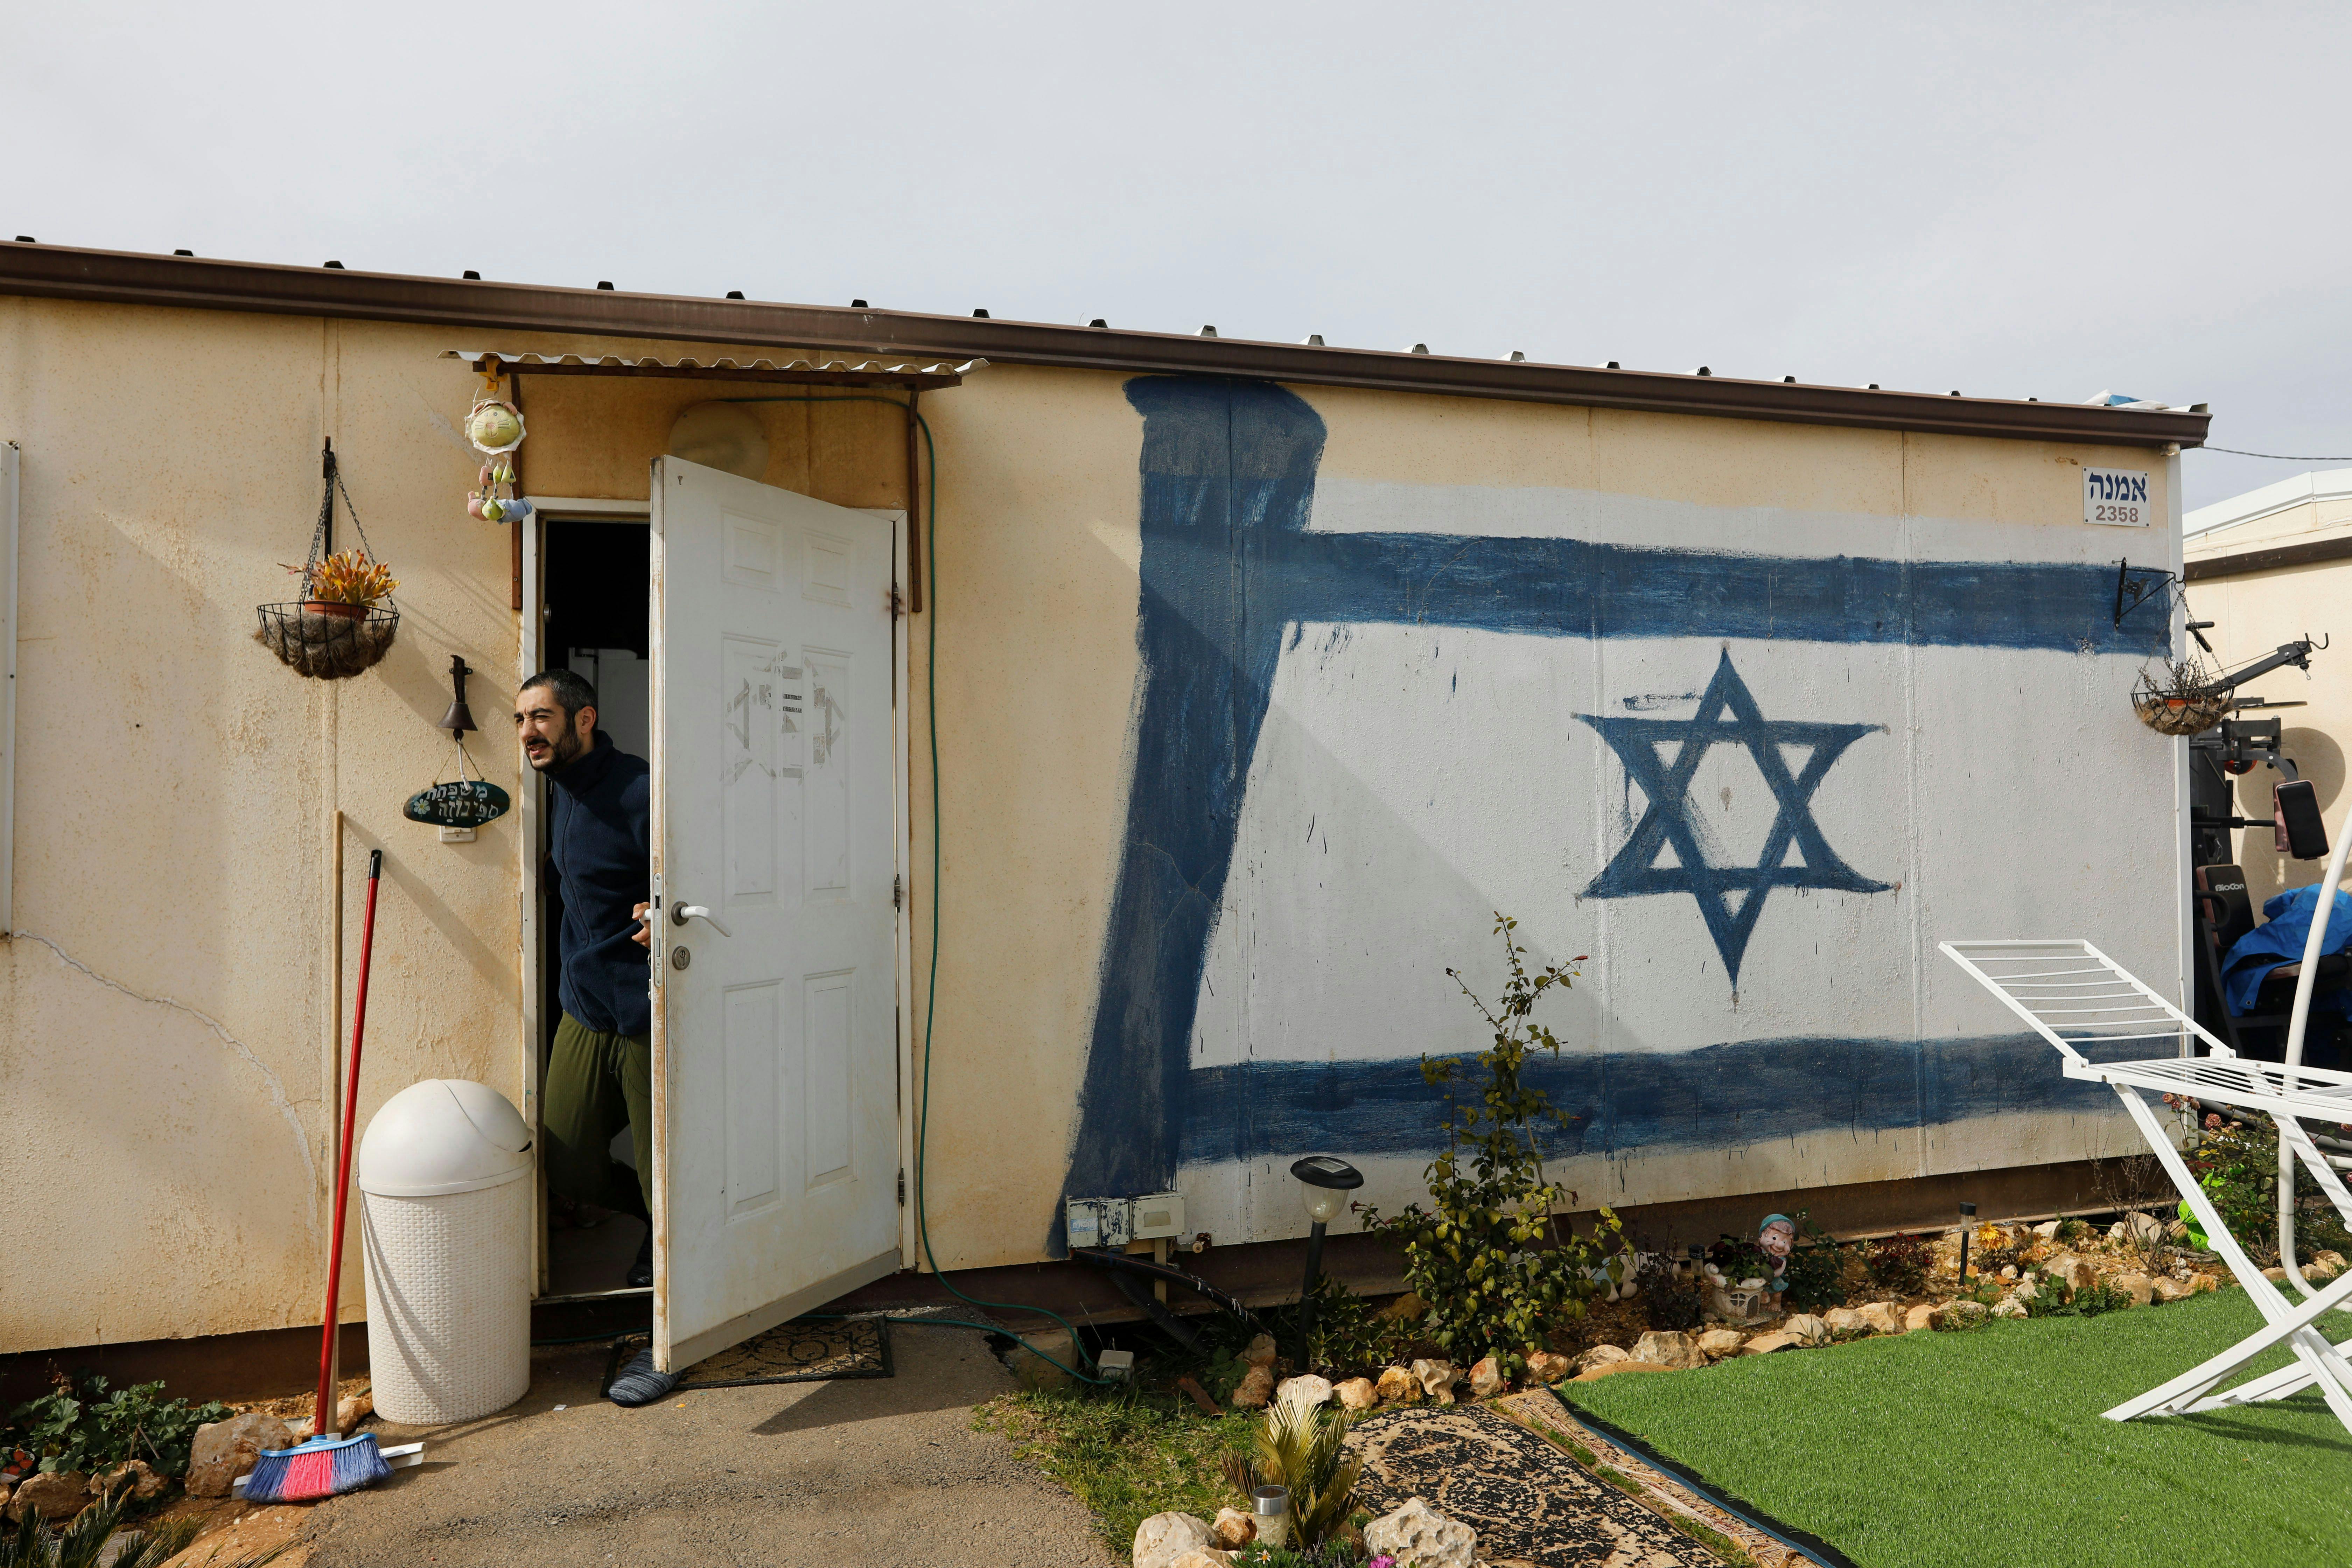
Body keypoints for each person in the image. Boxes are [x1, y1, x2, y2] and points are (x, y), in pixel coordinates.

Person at [517, 670, 677, 1404]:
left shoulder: (640, 789)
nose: (529, 732)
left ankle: (670, 1338)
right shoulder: (557, 788)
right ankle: (654, 1226)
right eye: (521, 719)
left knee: (658, 1172)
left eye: (542, 717)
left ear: (584, 719)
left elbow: (696, 868)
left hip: (645, 1006)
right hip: (584, 1006)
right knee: (570, 1157)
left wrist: (660, 905)